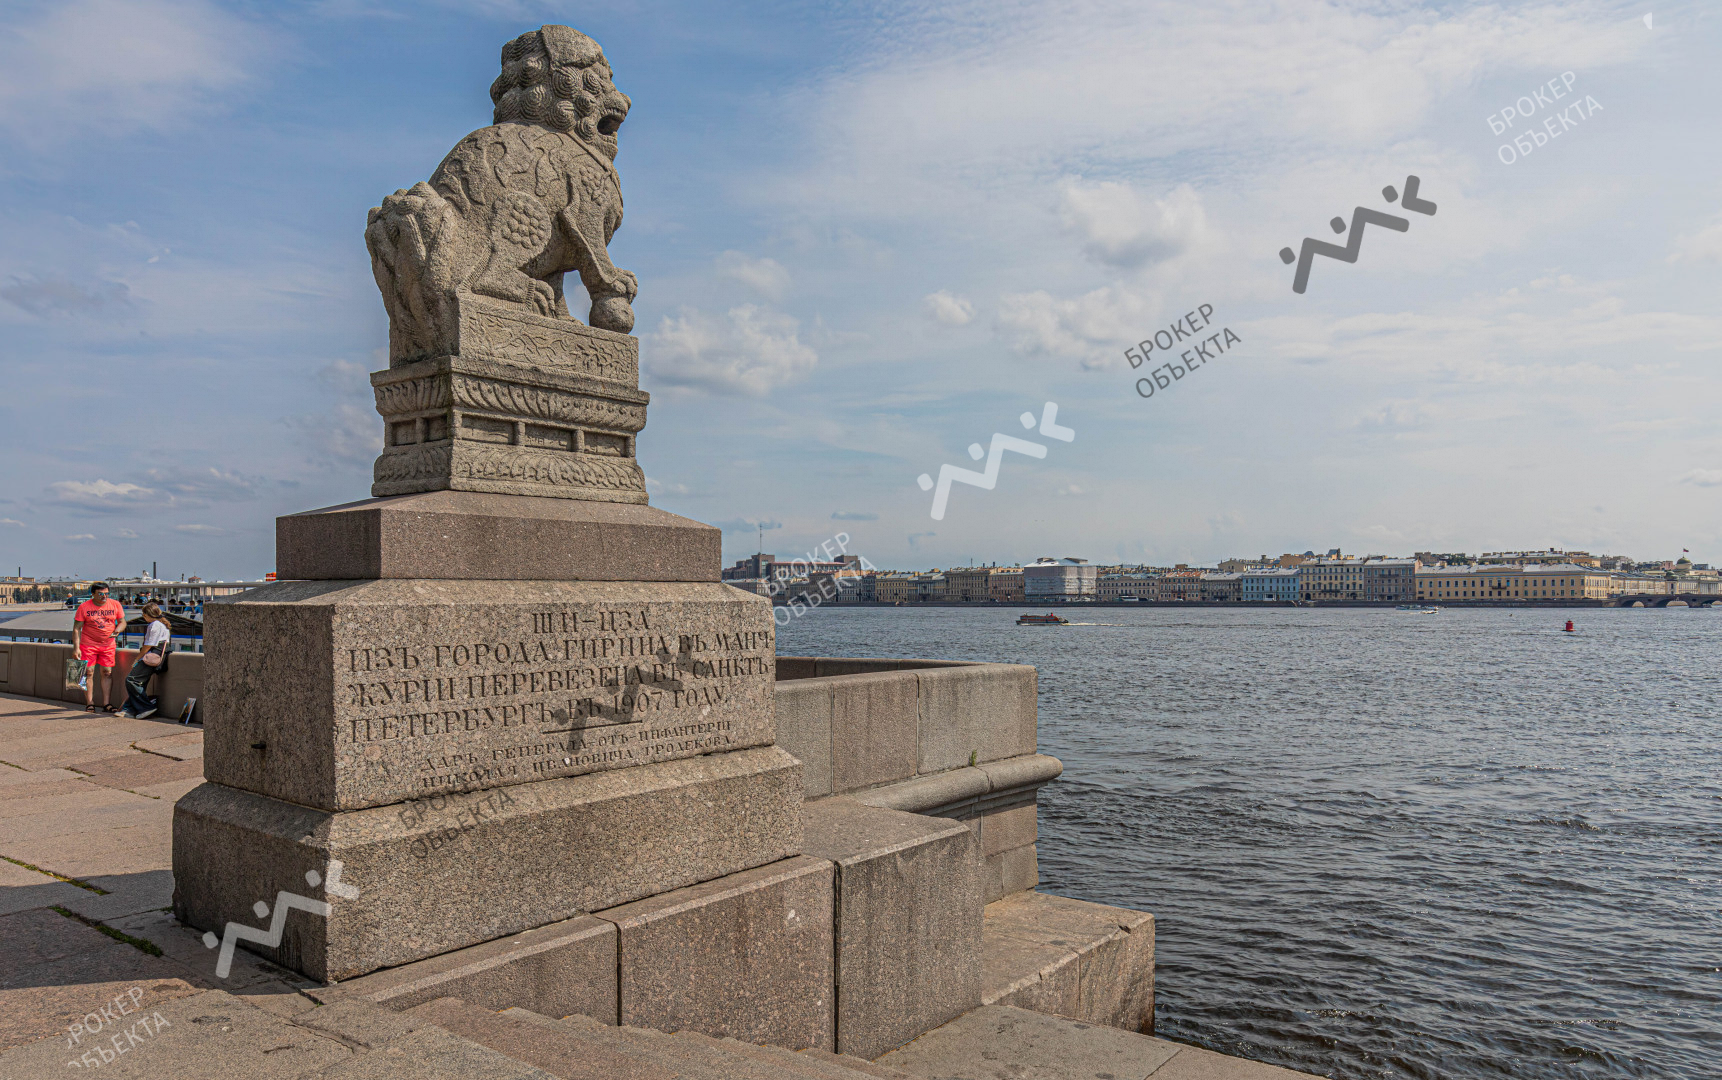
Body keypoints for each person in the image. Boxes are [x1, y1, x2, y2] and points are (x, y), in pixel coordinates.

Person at [72, 582, 128, 713]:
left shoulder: (115, 604)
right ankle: (90, 703)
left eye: (107, 594)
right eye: (101, 594)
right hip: (88, 644)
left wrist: (117, 630)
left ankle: (106, 704)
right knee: (88, 672)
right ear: (93, 594)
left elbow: (122, 622)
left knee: (107, 672)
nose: (104, 596)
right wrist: (76, 648)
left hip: (108, 645)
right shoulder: (84, 607)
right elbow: (76, 628)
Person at [120, 603, 171, 719]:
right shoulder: (162, 624)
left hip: (151, 655)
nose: (143, 617)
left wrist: (137, 658)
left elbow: (149, 645)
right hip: (159, 655)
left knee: (131, 680)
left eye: (144, 615)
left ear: (147, 615)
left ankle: (145, 707)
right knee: (140, 682)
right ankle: (130, 709)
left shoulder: (154, 625)